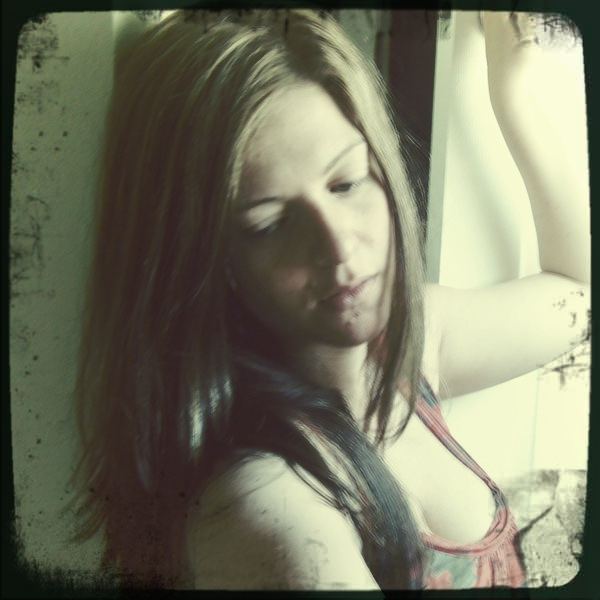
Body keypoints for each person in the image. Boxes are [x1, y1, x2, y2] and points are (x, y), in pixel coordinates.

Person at [72, 9, 590, 590]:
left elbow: (576, 297)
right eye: (271, 224)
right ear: (206, 262)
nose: (340, 245)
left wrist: (513, 95)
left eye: (346, 183)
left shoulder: (404, 352)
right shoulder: (269, 503)